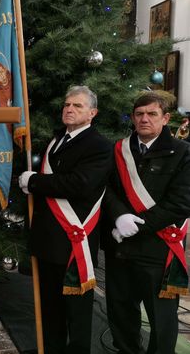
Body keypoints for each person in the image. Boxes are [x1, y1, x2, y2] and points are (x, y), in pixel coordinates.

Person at [18, 85, 112, 354]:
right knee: (50, 307)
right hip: (48, 239)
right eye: (67, 105)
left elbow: (79, 184)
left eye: (78, 106)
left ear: (92, 113)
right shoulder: (59, 138)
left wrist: (35, 181)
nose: (69, 109)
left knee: (78, 312)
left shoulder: (99, 145)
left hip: (74, 241)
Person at [102, 92, 190, 354]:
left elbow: (181, 203)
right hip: (120, 246)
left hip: (158, 248)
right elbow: (105, 188)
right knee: (120, 310)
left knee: (161, 318)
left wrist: (136, 226)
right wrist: (119, 216)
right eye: (139, 114)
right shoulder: (118, 149)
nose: (144, 119)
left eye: (152, 114)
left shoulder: (183, 153)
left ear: (165, 118)